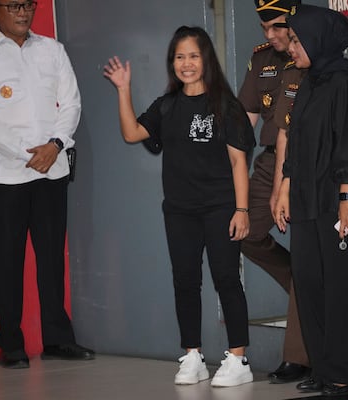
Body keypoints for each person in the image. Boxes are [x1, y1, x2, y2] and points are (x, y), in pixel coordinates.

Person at [103, 26, 256, 388]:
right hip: (179, 211)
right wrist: (123, 89)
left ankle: (238, 359)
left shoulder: (225, 106)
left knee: (226, 279)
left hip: (221, 208)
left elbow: (238, 163)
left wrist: (242, 210)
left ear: (206, 60)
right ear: (172, 63)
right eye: (179, 57)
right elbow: (131, 133)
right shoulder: (167, 105)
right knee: (185, 282)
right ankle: (193, 355)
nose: (186, 64)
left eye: (193, 56)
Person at [0, 0, 95, 369]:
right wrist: (28, 154)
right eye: (14, 5)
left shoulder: (52, 50)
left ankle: (57, 339)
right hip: (6, 175)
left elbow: (71, 103)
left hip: (52, 170)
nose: (23, 12)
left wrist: (54, 147)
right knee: (8, 258)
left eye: (29, 5)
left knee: (52, 256)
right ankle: (12, 345)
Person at [274, 4, 348, 396]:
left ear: (318, 39)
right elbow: (296, 140)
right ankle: (322, 366)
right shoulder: (310, 81)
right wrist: (284, 187)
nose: (291, 49)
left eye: (297, 41)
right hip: (304, 199)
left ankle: (345, 373)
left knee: (341, 288)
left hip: (337, 202)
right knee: (311, 284)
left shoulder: (344, 82)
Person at [237, 0, 310, 384]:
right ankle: (303, 283)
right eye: (264, 27)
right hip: (268, 162)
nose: (270, 35)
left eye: (278, 26)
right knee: (242, 229)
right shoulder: (262, 59)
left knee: (308, 249)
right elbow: (242, 121)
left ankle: (299, 356)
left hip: (308, 164)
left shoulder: (311, 50)